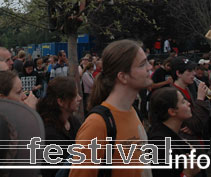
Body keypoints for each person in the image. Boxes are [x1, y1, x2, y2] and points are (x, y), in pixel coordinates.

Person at [69, 39, 153, 177]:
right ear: (123, 76)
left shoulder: (132, 111)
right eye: (142, 64)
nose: (149, 67)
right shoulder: (96, 124)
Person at [37, 76, 82, 177]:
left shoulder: (73, 121)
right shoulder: (49, 134)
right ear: (61, 101)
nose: (79, 98)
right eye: (75, 96)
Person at [148, 87, 198, 177]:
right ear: (172, 111)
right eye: (183, 102)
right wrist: (187, 174)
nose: (188, 104)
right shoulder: (161, 146)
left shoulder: (169, 133)